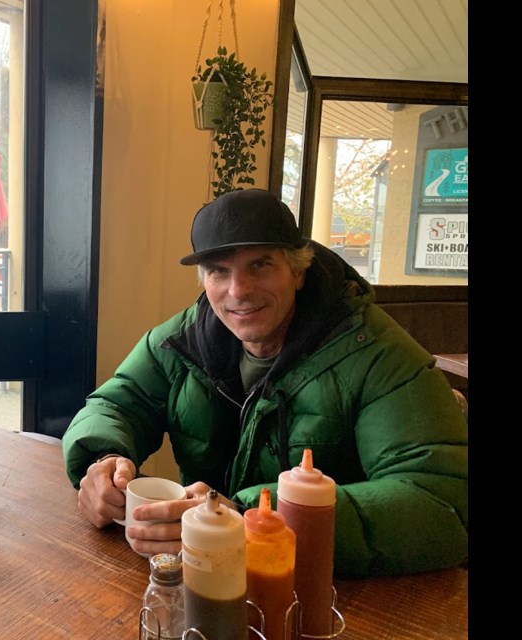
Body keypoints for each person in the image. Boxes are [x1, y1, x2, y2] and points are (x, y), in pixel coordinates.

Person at [62, 189, 468, 576]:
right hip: (200, 578)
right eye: (220, 271)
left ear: (297, 270)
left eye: (260, 265)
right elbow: (115, 405)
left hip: (335, 597)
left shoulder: (379, 354)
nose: (238, 290)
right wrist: (102, 464)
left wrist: (254, 520)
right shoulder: (179, 341)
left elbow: (441, 503)